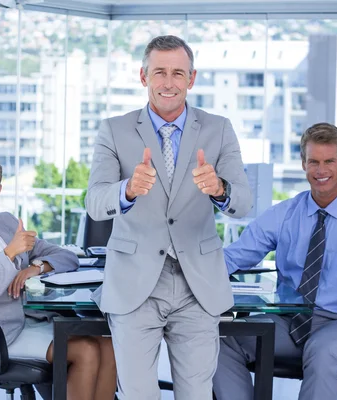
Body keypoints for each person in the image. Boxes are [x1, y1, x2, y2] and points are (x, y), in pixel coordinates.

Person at [85, 35, 252, 399]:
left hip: (198, 285)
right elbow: (95, 203)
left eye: (178, 73)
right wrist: (127, 190)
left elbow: (245, 204)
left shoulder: (218, 128)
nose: (168, 82)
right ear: (143, 77)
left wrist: (220, 189)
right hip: (134, 285)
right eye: (159, 72)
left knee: (195, 395)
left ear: (191, 79)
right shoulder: (113, 129)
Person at [213, 123, 337, 400]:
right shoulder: (285, 213)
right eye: (313, 161)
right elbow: (237, 255)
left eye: (329, 162)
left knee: (322, 352)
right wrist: (189, 268)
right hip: (289, 321)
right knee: (222, 338)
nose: (321, 170)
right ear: (303, 163)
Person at [0, 152, 116, 400]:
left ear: (0, 188)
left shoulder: (6, 223)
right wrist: (10, 254)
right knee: (86, 350)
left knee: (108, 345)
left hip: (27, 320)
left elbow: (67, 256)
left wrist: (36, 267)